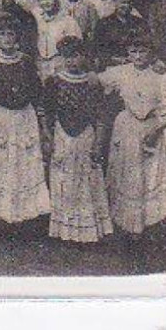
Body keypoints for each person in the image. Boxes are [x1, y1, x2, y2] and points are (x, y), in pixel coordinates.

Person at [99, 35, 166, 249]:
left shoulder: (160, 77)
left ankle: (146, 225)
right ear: (128, 54)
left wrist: (156, 129)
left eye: (142, 51)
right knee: (126, 174)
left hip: (151, 127)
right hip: (126, 128)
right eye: (133, 51)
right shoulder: (122, 72)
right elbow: (96, 79)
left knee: (147, 176)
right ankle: (124, 226)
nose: (138, 56)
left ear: (151, 53)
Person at [45, 36, 114, 245]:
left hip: (85, 135)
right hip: (62, 135)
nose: (71, 61)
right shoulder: (54, 81)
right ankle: (64, 229)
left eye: (75, 56)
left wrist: (99, 142)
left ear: (84, 57)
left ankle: (85, 230)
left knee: (85, 179)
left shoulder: (93, 83)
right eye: (66, 57)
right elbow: (47, 112)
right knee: (63, 179)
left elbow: (101, 114)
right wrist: (48, 137)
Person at [0, 22, 50, 227]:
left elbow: (36, 88)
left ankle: (27, 212)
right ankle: (3, 211)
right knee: (3, 159)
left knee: (25, 159)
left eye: (10, 34)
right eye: (2, 34)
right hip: (2, 115)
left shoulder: (26, 61)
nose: (7, 39)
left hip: (24, 116)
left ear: (17, 37)